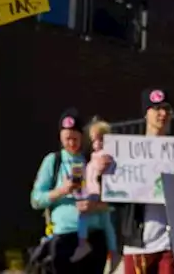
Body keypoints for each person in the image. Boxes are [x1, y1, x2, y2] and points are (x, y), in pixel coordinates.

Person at [29, 109, 112, 274]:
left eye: (75, 138)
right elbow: (36, 200)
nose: (72, 144)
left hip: (93, 237)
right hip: (63, 237)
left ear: (82, 136)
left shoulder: (92, 161)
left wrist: (94, 205)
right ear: (60, 137)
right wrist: (61, 190)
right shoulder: (54, 162)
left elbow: (110, 202)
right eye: (67, 139)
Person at [119, 88, 174, 274]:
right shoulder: (128, 153)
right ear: (146, 113)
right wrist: (104, 174)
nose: (163, 114)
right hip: (139, 243)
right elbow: (114, 197)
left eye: (166, 109)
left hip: (171, 242)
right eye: (157, 108)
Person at [71, 119, 117, 264]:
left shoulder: (103, 157)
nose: (96, 144)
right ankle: (113, 251)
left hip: (97, 194)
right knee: (106, 223)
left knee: (90, 217)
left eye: (100, 140)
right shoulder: (82, 160)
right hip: (92, 193)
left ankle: (84, 243)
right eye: (93, 141)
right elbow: (80, 183)